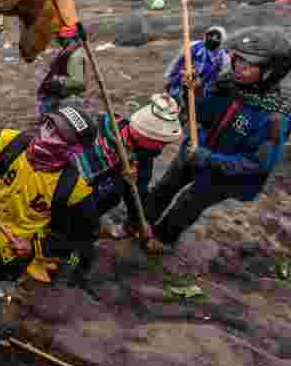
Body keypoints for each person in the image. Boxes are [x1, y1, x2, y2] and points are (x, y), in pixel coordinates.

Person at [0, 106, 99, 355]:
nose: (48, 134)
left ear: (74, 149)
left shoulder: (73, 189)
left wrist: (36, 245)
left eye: (60, 135)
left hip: (13, 252)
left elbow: (83, 235)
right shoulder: (10, 141)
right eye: (49, 124)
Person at [145, 26, 291, 249]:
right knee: (164, 187)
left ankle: (164, 239)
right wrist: (193, 91)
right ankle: (139, 222)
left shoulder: (274, 117)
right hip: (196, 149)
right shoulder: (228, 84)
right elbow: (202, 115)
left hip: (223, 173)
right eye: (237, 59)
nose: (238, 67)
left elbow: (257, 164)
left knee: (189, 203)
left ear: (272, 71)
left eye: (249, 64)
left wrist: (206, 158)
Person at [73, 94, 182, 241]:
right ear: (142, 133)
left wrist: (139, 221)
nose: (160, 148)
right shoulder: (93, 132)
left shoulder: (144, 154)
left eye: (165, 143)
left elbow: (139, 188)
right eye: (160, 142)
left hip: (97, 204)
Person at [164, 25, 229, 105]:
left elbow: (220, 77)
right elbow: (178, 61)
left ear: (221, 41)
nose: (212, 39)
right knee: (173, 105)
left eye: (217, 38)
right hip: (181, 83)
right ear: (205, 35)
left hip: (203, 90)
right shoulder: (194, 46)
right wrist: (171, 76)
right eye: (210, 35)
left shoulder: (223, 58)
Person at [35, 24, 86, 117]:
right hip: (55, 98)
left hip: (61, 100)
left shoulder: (74, 55)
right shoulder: (67, 51)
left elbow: (78, 82)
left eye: (59, 36)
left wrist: (57, 80)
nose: (57, 39)